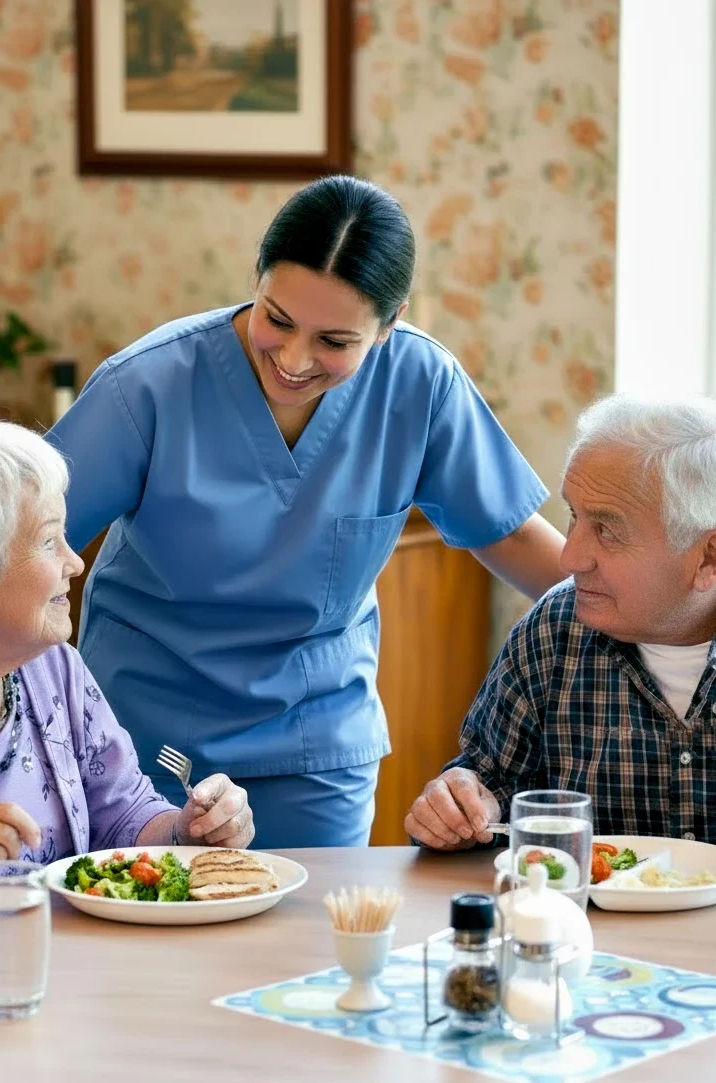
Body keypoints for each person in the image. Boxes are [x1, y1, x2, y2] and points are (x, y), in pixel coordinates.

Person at [46, 175, 566, 849]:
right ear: (256, 279)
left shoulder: (421, 386)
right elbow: (10, 542)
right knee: (150, 947)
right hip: (144, 748)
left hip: (313, 751)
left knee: (310, 949)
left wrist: (666, 622)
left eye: (335, 341)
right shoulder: (147, 386)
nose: (293, 359)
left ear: (390, 324)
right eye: (278, 319)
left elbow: (520, 541)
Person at [0, 417, 254, 914]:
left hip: (54, 976)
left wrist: (190, 830)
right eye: (48, 542)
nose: (75, 562)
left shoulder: (54, 669)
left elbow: (122, 815)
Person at [406, 394, 716, 849]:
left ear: (707, 557)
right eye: (575, 516)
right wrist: (459, 807)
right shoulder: (554, 630)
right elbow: (488, 783)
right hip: (581, 921)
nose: (570, 558)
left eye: (608, 531)